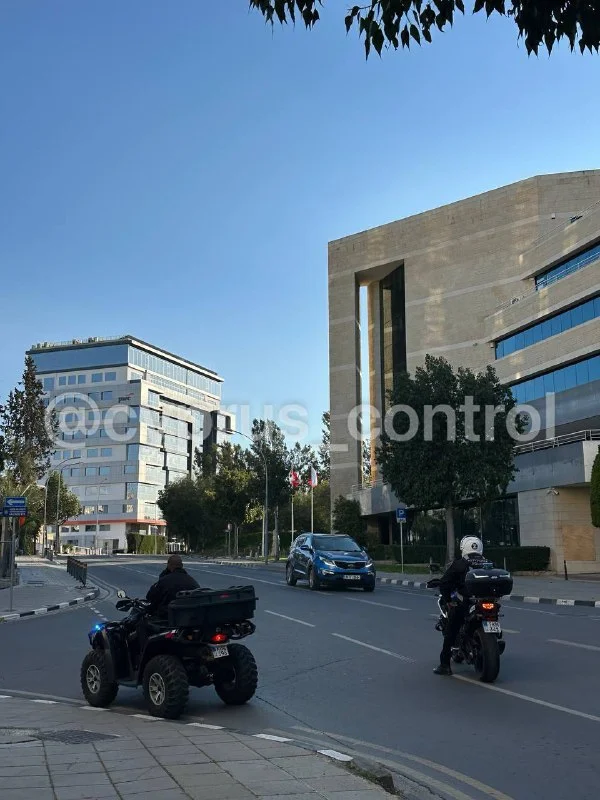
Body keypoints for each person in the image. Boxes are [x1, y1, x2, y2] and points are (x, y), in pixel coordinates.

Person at [433, 536, 489, 676]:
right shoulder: (488, 563)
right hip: (486, 602)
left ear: (463, 548)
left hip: (466, 603)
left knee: (451, 630)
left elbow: (445, 583)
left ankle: (445, 665)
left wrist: (448, 600)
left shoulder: (459, 564)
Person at [145, 554, 200, 621]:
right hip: (189, 618)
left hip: (168, 617)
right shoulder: (192, 580)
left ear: (168, 565)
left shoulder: (165, 580)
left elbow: (150, 597)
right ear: (182, 566)